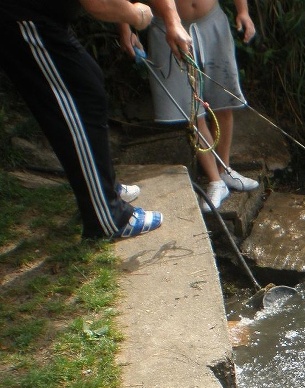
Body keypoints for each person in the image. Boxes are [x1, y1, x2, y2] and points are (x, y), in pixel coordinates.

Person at [0, 0, 191, 240]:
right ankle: (109, 219)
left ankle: (102, 190)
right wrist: (135, 15)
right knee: (78, 102)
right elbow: (99, 3)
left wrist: (165, 21)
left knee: (88, 84)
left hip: (43, 16)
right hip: (24, 17)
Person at [119, 0, 259, 213]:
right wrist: (125, 28)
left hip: (211, 20)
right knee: (192, 111)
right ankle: (215, 181)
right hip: (166, 28)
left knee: (224, 102)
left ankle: (225, 170)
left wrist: (243, 11)